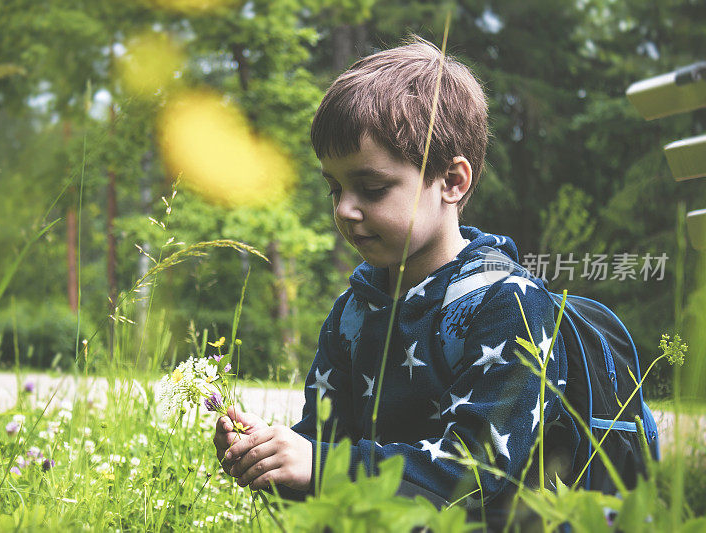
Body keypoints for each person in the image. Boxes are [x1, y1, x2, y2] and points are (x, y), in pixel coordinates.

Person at [212, 36, 579, 522]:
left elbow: (479, 470)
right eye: (335, 186)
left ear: (452, 181)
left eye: (372, 187)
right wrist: (271, 460)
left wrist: (321, 466)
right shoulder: (352, 312)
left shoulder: (507, 304)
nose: (344, 208)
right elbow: (324, 460)